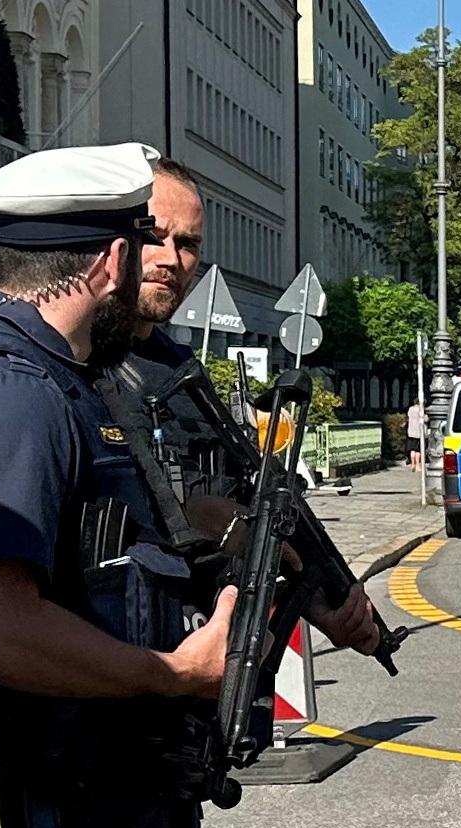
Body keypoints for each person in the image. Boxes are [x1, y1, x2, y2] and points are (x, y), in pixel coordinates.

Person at [0, 142, 226, 828]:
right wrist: (176, 674)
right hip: (60, 803)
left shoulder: (53, 376)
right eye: (148, 246)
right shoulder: (12, 392)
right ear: (111, 262)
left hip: (94, 788)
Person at [127, 157, 377, 649]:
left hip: (209, 677)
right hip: (134, 667)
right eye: (154, 236)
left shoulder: (178, 366)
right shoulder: (68, 367)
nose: (171, 259)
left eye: (189, 244)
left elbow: (241, 499)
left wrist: (316, 601)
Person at [406, 397, 424, 471]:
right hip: (419, 432)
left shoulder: (410, 409)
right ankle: (417, 465)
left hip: (411, 431)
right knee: (418, 450)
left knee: (412, 449)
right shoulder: (421, 409)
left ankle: (412, 464)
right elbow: (425, 419)